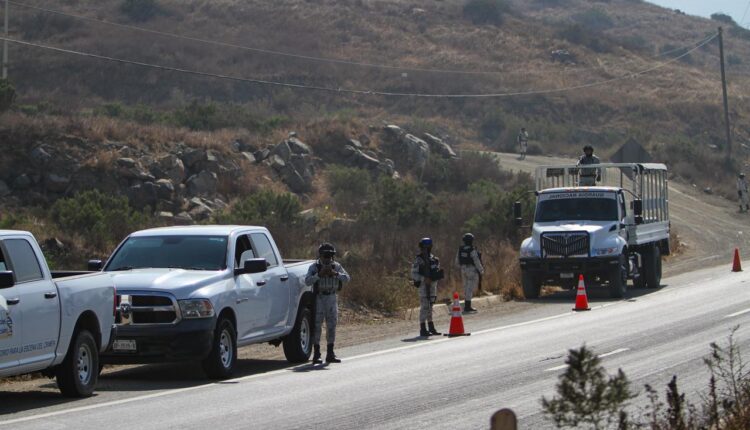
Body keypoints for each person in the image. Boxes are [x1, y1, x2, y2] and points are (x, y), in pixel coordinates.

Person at [305, 243, 351, 364]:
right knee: (317, 325)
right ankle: (317, 354)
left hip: (331, 297)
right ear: (320, 255)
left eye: (330, 256)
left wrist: (335, 274)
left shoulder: (336, 266)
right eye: (325, 255)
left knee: (332, 325)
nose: (327, 258)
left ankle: (330, 353)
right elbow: (307, 281)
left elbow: (347, 278)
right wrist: (319, 275)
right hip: (319, 298)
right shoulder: (314, 267)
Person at [412, 237, 443, 337]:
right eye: (425, 246)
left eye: (429, 246)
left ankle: (431, 327)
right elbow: (413, 274)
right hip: (423, 287)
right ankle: (423, 328)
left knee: (430, 307)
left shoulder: (434, 259)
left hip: (433, 286)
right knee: (424, 307)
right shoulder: (419, 259)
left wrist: (435, 277)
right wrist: (423, 279)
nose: (427, 248)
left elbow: (436, 271)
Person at [455, 233, 485, 314]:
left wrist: (461, 267)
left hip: (463, 270)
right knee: (470, 288)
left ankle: (467, 305)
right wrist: (481, 270)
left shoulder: (460, 249)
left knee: (466, 287)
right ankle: (468, 307)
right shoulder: (472, 250)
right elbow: (476, 261)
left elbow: (457, 261)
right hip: (471, 270)